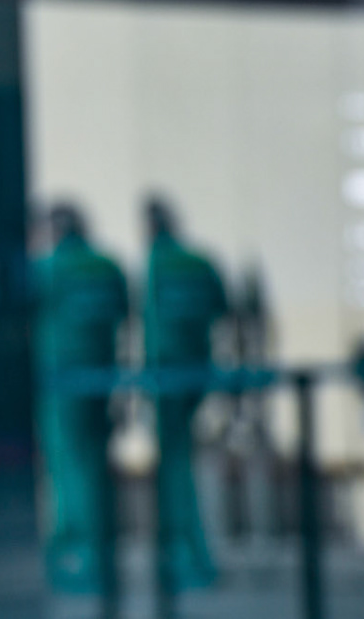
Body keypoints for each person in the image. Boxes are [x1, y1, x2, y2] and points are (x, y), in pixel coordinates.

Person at [33, 201, 129, 607]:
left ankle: (77, 557)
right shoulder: (108, 266)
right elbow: (126, 317)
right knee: (98, 467)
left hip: (61, 384)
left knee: (68, 470)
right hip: (103, 380)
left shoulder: (49, 269)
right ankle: (103, 556)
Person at [141, 195, 228, 595]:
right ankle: (199, 556)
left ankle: (190, 556)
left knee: (176, 473)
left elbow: (147, 329)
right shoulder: (199, 261)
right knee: (195, 468)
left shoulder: (156, 266)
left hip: (167, 380)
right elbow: (229, 313)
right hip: (200, 376)